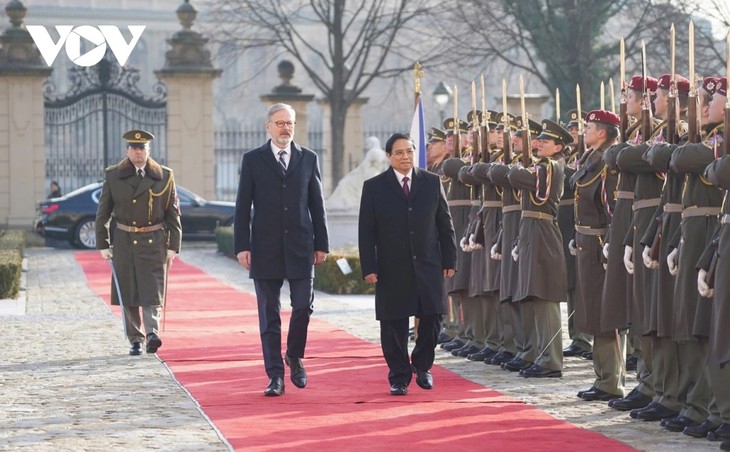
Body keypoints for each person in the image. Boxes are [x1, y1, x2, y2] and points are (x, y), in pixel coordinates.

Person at [233, 103, 329, 397]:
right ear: (268, 127)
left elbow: (317, 205)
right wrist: (242, 246)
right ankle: (275, 375)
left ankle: (294, 356)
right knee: (269, 315)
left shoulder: (308, 158)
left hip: (301, 246)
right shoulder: (253, 160)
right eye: (279, 123)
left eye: (289, 123)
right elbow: (242, 206)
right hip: (265, 247)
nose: (285, 128)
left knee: (303, 306)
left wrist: (322, 244)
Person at [359, 132, 457, 395]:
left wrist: (450, 259)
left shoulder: (432, 182)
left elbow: (445, 226)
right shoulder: (374, 187)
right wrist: (369, 266)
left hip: (428, 263)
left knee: (433, 316)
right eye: (399, 153)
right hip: (392, 266)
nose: (406, 157)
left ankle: (423, 366)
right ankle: (399, 375)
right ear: (389, 156)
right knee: (394, 323)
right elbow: (366, 232)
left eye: (410, 151)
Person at [95, 129, 181, 356]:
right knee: (129, 290)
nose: (138, 152)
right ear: (127, 150)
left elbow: (173, 214)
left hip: (154, 241)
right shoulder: (114, 175)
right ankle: (135, 339)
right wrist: (103, 244)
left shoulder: (164, 175)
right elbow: (103, 213)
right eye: (134, 147)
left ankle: (152, 333)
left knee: (152, 290)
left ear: (148, 150)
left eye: (142, 148)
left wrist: (174, 245)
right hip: (124, 241)